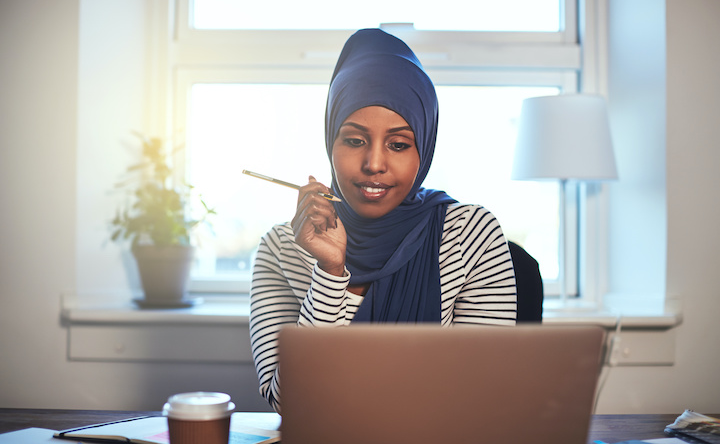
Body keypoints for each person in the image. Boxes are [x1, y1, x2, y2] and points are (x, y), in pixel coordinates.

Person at [249, 28, 517, 413]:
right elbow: (290, 404)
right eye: (354, 140)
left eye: (398, 144)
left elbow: (482, 394)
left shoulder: (470, 234)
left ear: (423, 147)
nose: (374, 164)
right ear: (331, 142)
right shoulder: (282, 247)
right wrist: (329, 270)